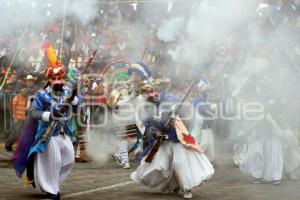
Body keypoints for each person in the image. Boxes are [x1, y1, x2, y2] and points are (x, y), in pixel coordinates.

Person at [14, 44, 78, 200]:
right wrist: (50, 114)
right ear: (49, 80)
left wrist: (73, 98)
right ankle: (52, 190)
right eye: (55, 78)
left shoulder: (67, 90)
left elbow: (77, 102)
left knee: (69, 159)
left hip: (63, 131)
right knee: (55, 161)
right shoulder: (42, 95)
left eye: (60, 78)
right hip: (48, 133)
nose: (58, 80)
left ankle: (51, 182)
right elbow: (34, 112)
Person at [131, 91, 214, 199]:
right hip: (164, 143)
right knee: (160, 165)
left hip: (177, 142)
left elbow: (185, 126)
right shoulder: (154, 112)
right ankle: (174, 185)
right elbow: (151, 128)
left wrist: (174, 117)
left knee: (179, 163)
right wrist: (156, 131)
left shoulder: (178, 113)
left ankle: (186, 189)